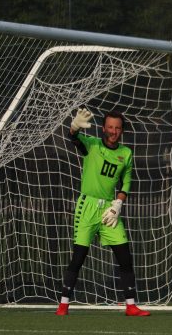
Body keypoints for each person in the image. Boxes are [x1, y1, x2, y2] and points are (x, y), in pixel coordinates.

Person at [55, 108, 150, 317]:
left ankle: (131, 306)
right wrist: (73, 127)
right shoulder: (93, 145)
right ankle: (63, 305)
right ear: (103, 128)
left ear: (122, 130)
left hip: (110, 209)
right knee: (79, 257)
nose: (113, 131)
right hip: (87, 207)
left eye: (117, 128)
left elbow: (126, 183)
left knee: (125, 257)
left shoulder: (126, 153)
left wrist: (118, 204)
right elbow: (73, 138)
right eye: (110, 127)